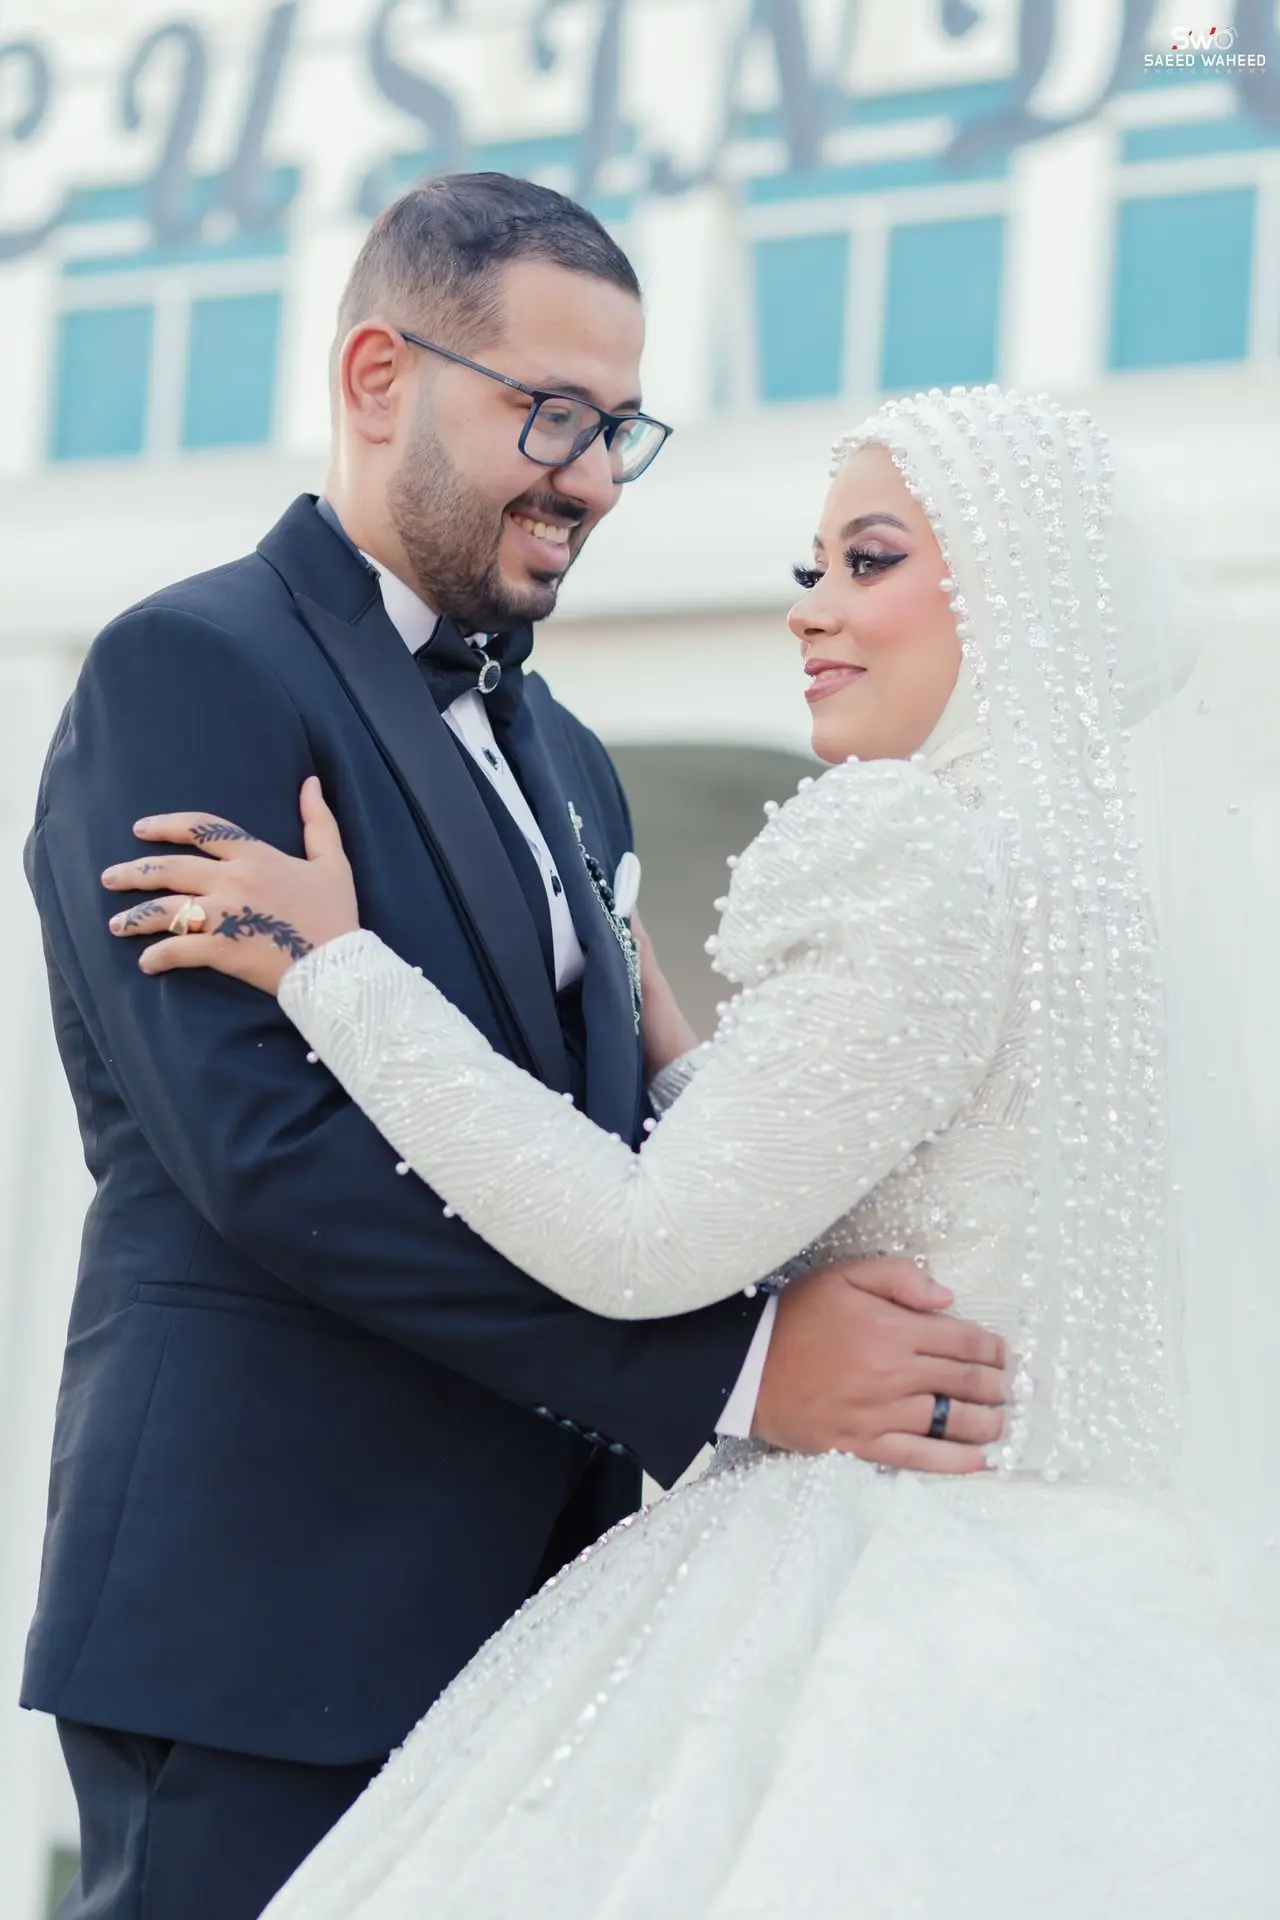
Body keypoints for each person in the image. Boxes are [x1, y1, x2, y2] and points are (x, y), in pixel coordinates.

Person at [107, 385, 1280, 1918]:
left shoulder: (907, 844)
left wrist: (335, 967)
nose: (811, 610)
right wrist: (670, 1042)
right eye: (811, 568)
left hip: (873, 1578)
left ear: (1015, 597)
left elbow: (643, 1241)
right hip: (1088, 1606)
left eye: (869, 561)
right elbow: (873, 1151)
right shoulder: (1101, 903)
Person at [24, 175, 1006, 1920]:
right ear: (378, 377)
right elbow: (269, 1160)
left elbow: (601, 1153)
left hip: (552, 1631)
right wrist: (735, 1380)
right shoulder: (191, 668)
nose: (594, 477)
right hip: (270, 1612)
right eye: (550, 413)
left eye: (619, 427)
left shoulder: (572, 760)